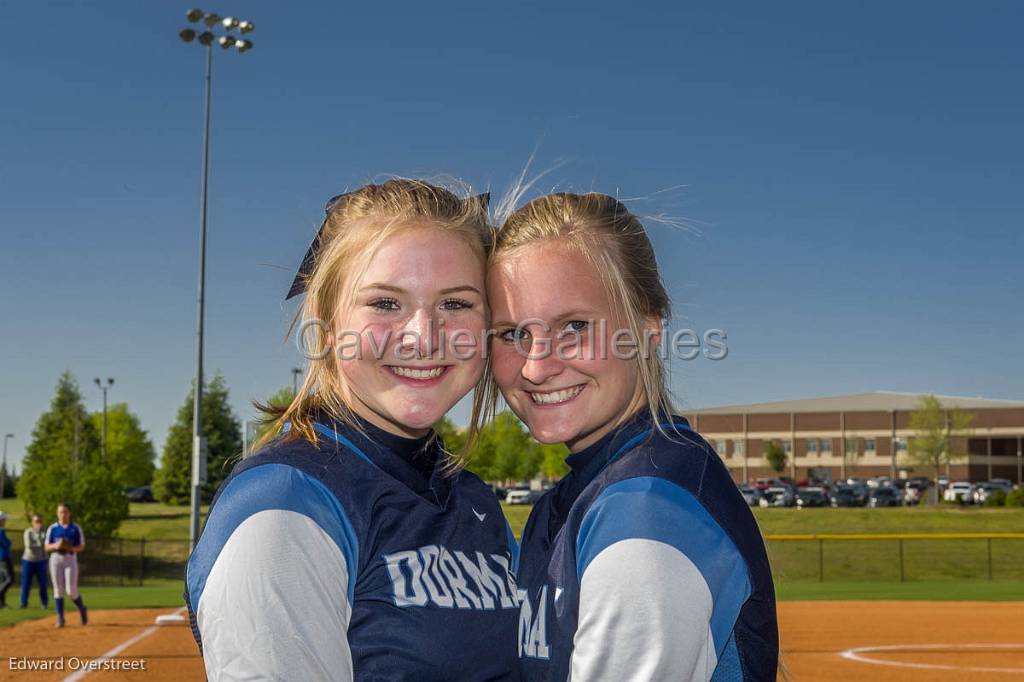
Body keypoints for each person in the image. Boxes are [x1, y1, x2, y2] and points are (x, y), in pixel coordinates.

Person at [186, 179, 520, 681]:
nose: (423, 336)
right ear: (324, 321)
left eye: (456, 304)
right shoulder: (285, 506)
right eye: (386, 303)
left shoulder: (472, 499)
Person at [481, 192, 778, 680]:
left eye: (574, 326)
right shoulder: (575, 499)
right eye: (512, 333)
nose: (536, 367)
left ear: (648, 327)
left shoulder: (647, 508)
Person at [45, 503, 87, 627]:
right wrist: (56, 545)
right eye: (60, 512)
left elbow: (82, 546)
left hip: (70, 558)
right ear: (57, 514)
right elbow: (46, 546)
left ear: (70, 513)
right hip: (56, 558)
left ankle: (82, 608)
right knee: (58, 589)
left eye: (65, 512)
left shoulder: (75, 528)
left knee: (71, 590)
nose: (63, 514)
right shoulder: (52, 528)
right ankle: (60, 618)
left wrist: (71, 548)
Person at [21, 514, 49, 609]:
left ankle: (44, 603)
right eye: (36, 521)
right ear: (32, 523)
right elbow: (29, 546)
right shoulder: (28, 532)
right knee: (26, 583)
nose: (39, 524)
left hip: (41, 561)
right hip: (28, 561)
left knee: (43, 583)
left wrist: (43, 546)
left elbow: (48, 546)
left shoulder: (45, 532)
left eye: (40, 521)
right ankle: (23, 603)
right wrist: (41, 543)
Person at [0, 511, 12, 608]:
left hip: (2, 557)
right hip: (4, 557)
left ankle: (2, 604)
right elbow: (6, 543)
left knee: (4, 579)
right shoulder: (0, 531)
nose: (5, 522)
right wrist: (9, 542)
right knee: (9, 579)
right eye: (4, 520)